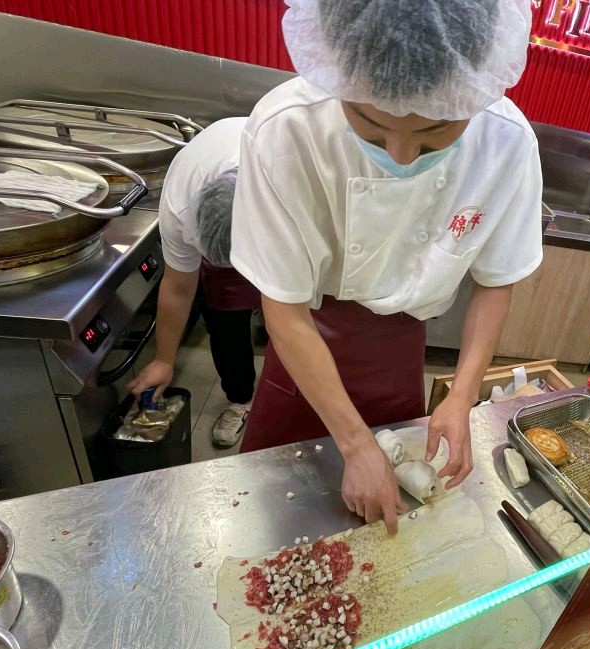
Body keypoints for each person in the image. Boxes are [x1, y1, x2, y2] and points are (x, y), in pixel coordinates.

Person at [230, 0, 541, 533]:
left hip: (401, 347)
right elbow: (283, 307)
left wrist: (462, 395)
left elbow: (496, 283)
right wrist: (354, 444)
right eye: (371, 129)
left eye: (433, 133)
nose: (400, 156)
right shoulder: (287, 130)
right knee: (272, 519)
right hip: (307, 338)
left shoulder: (506, 143)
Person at [129, 117, 261, 448]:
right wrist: (164, 359)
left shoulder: (295, 177)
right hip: (222, 215)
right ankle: (241, 399)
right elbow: (177, 288)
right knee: (226, 320)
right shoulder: (179, 207)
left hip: (276, 210)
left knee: (297, 312)